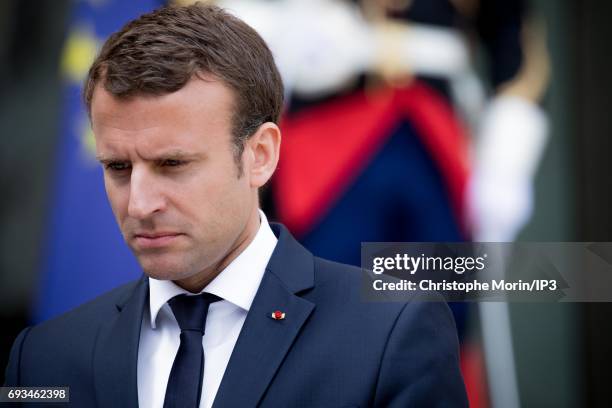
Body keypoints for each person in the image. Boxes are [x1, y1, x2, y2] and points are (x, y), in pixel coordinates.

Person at [4, 3, 467, 407]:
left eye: (173, 164)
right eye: (118, 168)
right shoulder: (41, 359)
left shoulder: (390, 332)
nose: (140, 204)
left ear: (260, 155)